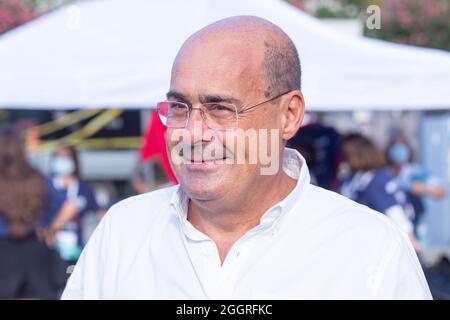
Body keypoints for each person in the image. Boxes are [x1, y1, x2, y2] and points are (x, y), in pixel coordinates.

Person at [62, 16, 431, 299]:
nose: (192, 132)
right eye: (178, 107)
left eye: (220, 108)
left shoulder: (370, 249)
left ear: (289, 115)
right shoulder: (123, 232)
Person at [0, 128, 76, 299]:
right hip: (35, 249)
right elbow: (69, 206)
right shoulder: (37, 178)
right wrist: (51, 229)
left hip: (3, 252)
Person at [340, 133, 421, 252]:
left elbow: (394, 212)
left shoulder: (375, 180)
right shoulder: (359, 177)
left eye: (346, 155)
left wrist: (411, 241)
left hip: (380, 244)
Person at [51, 146, 105, 261]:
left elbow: (101, 214)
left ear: (74, 161)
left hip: (76, 250)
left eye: (66, 157)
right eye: (59, 157)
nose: (62, 161)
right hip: (51, 249)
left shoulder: (84, 189)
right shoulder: (48, 187)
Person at [386, 137, 446, 231]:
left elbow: (441, 192)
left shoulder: (416, 172)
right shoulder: (384, 174)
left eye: (402, 148)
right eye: (396, 148)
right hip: (391, 224)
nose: (399, 152)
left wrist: (422, 188)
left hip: (414, 224)